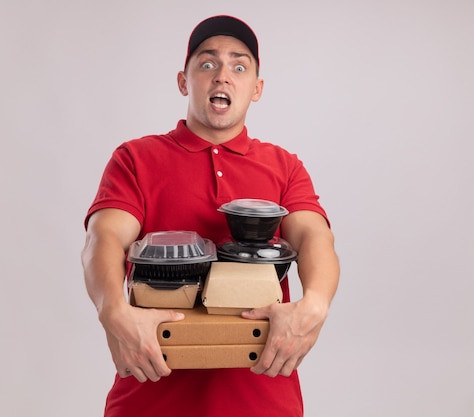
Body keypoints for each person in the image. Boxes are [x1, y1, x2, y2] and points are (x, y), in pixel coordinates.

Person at [82, 15, 340, 417]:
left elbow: (314, 237)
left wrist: (316, 305)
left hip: (263, 402)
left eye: (239, 66)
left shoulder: (284, 166)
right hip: (150, 399)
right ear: (184, 81)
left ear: (256, 89)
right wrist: (112, 309)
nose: (223, 76)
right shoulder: (136, 158)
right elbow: (105, 238)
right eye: (207, 64)